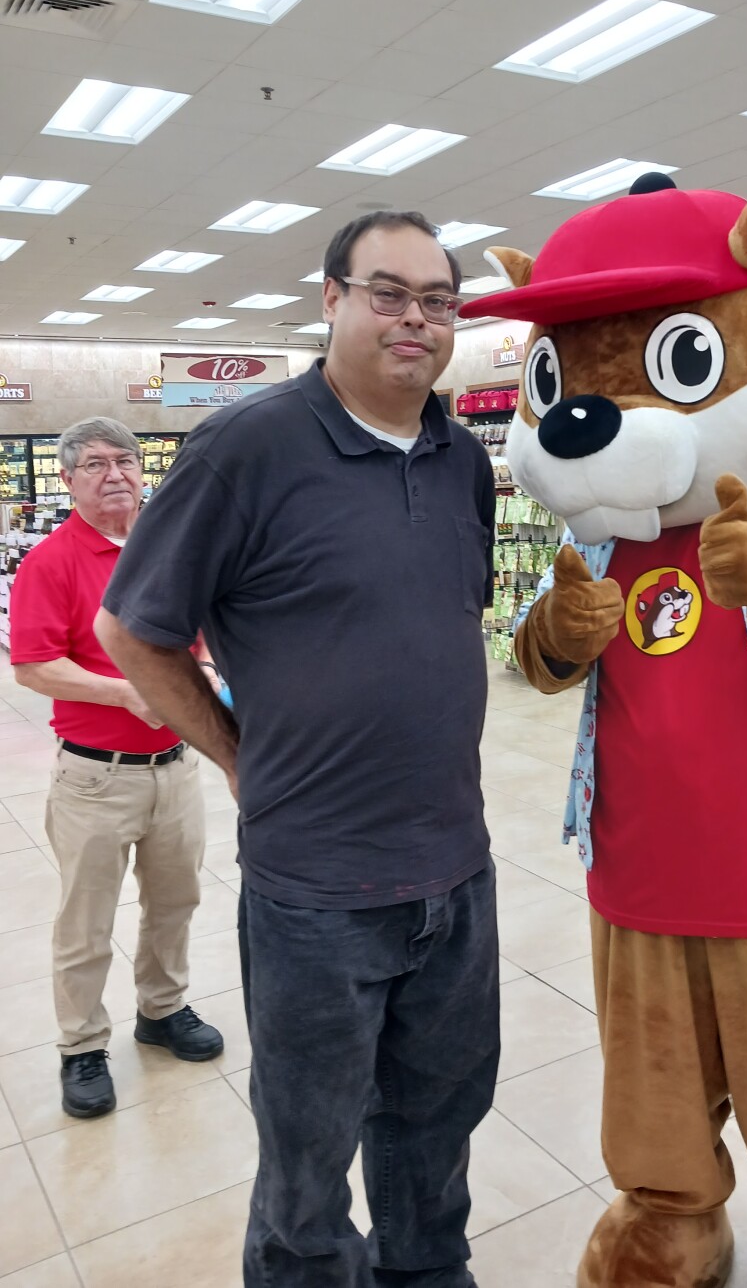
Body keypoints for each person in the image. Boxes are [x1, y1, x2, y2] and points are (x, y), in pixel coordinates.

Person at [95, 210, 500, 1288]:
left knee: (439, 1122)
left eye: (438, 301)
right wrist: (234, 752)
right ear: (331, 299)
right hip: (316, 890)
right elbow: (131, 630)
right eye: (387, 293)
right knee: (309, 1154)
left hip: (457, 870)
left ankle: (427, 1271)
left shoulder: (463, 460)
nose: (415, 319)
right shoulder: (246, 447)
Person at [9, 417, 223, 1121]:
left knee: (175, 901)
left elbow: (197, 638)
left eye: (125, 460)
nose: (115, 474)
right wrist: (128, 692)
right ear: (67, 479)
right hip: (95, 779)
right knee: (86, 921)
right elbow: (35, 665)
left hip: (175, 768)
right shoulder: (50, 562)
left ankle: (162, 1010)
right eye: (95, 464)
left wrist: (204, 675)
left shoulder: (168, 550)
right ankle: (81, 1045)